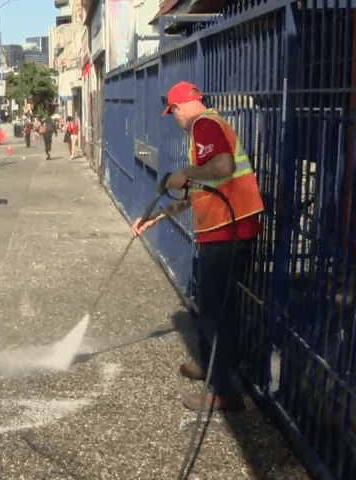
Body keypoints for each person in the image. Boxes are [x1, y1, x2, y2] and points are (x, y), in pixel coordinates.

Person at [131, 81, 264, 412]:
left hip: (228, 229)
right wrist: (157, 216)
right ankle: (210, 367)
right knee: (209, 304)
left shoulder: (204, 124)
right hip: (224, 227)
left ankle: (225, 390)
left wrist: (185, 172)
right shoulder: (209, 127)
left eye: (173, 112)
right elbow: (197, 195)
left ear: (179, 107)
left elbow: (223, 167)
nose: (175, 118)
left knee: (216, 312)